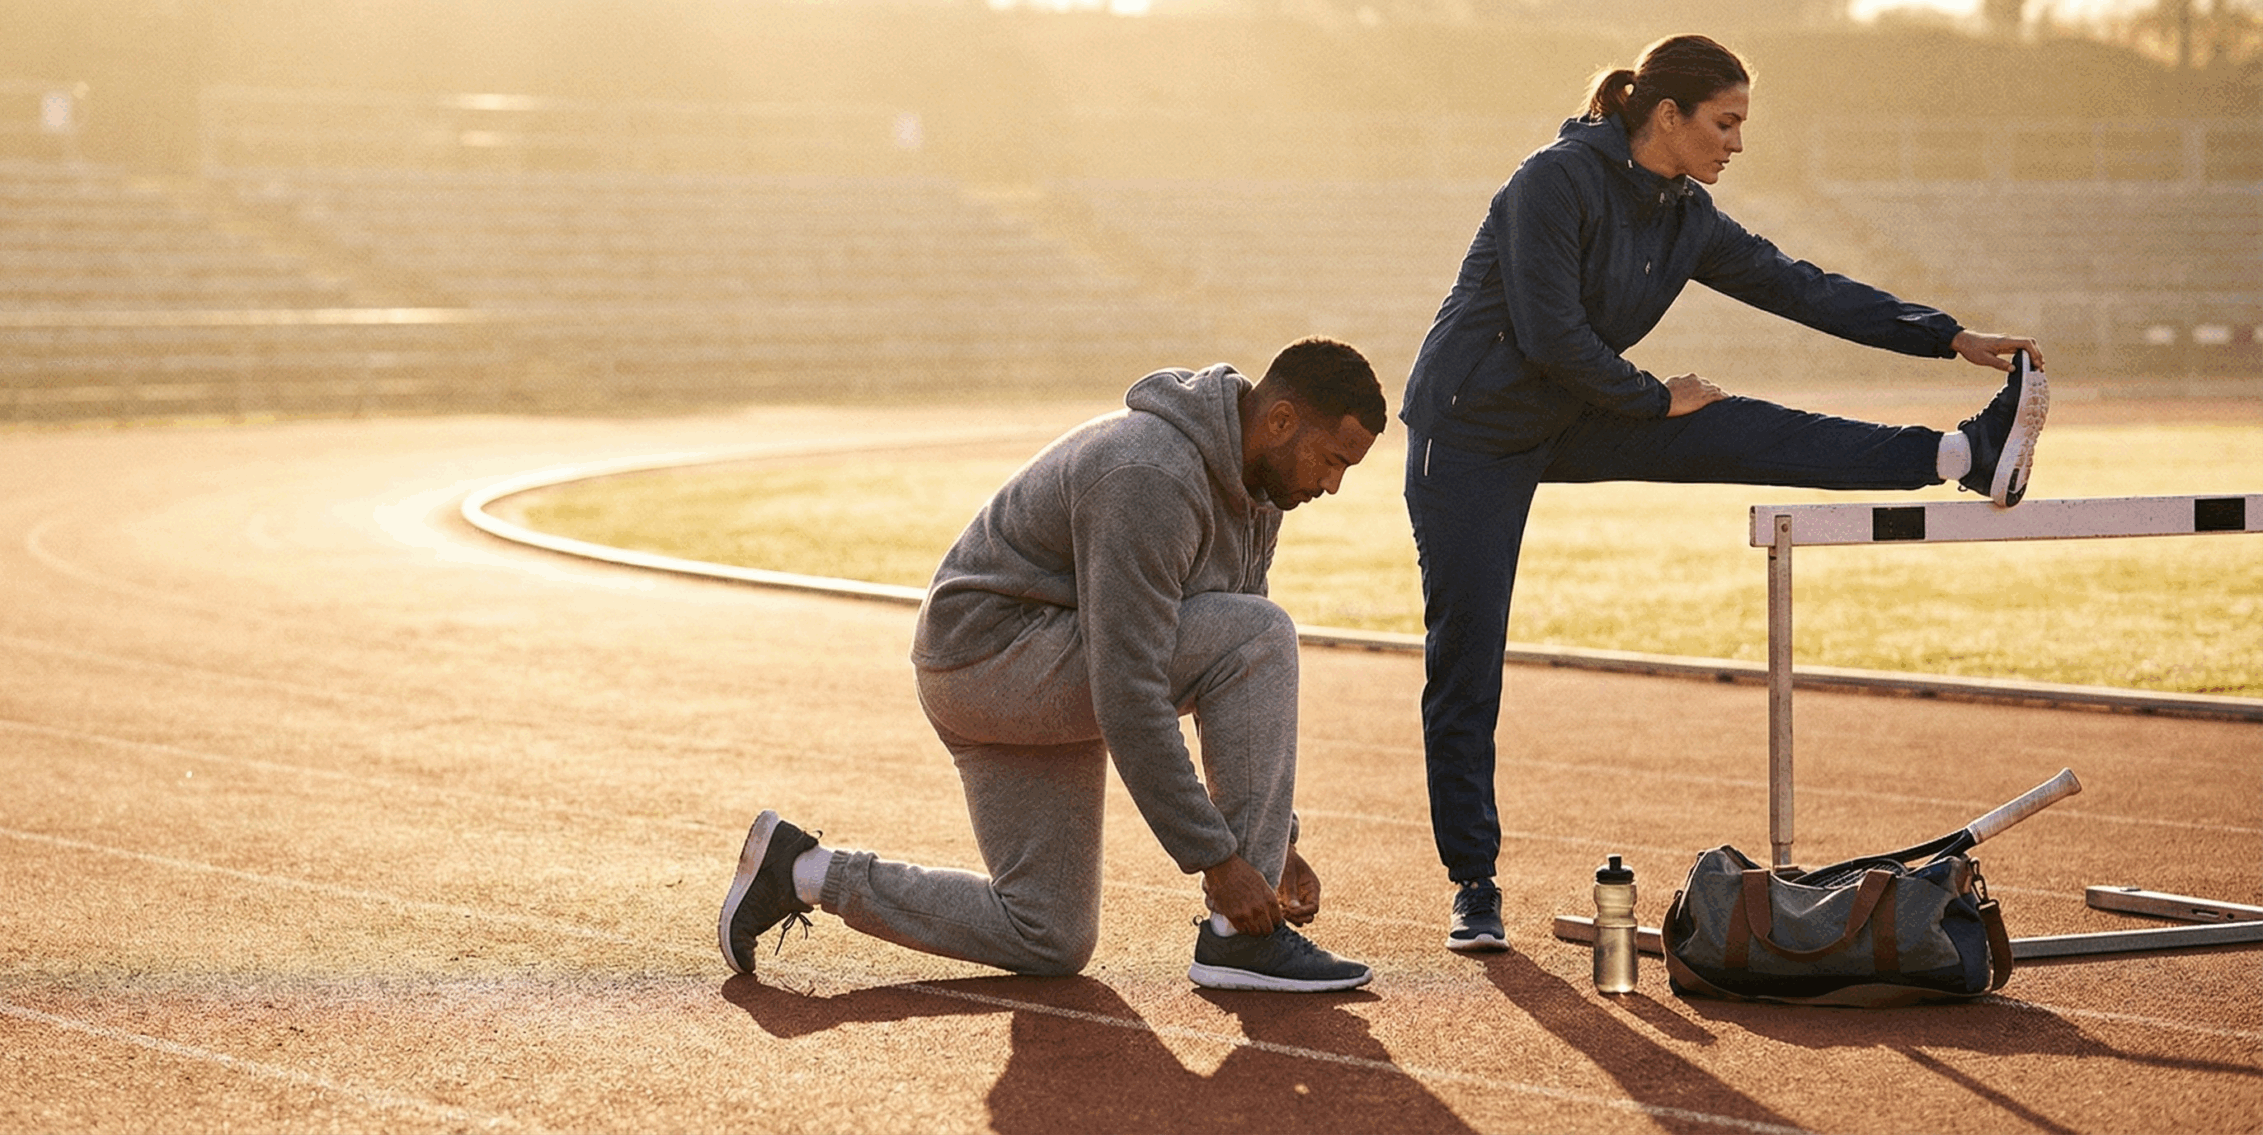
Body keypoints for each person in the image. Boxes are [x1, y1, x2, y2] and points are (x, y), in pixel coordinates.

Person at [1398, 34, 2048, 952]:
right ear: (1666, 115)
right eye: (1725, 122)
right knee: (1468, 653)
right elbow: (1549, 334)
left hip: (1579, 406)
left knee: (1745, 425)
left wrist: (1945, 337)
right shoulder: (1553, 181)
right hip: (1471, 432)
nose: (1737, 143)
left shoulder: (1685, 214)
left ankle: (1960, 454)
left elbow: (1799, 288)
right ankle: (1474, 883)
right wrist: (1657, 397)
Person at [721, 337, 1388, 992]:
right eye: (1330, 460)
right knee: (1263, 635)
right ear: (1280, 419)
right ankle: (1241, 941)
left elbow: (1230, 679)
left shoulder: (1257, 493)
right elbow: (1131, 691)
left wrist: (1275, 846)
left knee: (1048, 933)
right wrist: (1222, 862)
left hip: (1021, 670)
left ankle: (802, 869)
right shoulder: (1151, 475)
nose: (1331, 485)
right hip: (991, 656)